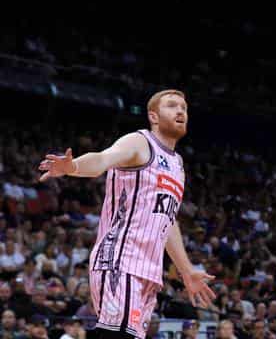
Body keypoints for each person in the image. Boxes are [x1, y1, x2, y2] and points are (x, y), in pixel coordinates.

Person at [37, 90, 215, 339]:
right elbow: (101, 159)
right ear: (153, 116)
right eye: (172, 106)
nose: (180, 111)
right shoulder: (139, 142)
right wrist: (73, 166)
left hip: (149, 272)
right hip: (120, 259)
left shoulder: (178, 165)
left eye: (184, 107)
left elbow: (167, 219)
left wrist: (186, 271)